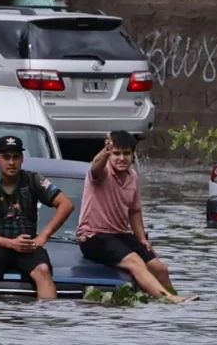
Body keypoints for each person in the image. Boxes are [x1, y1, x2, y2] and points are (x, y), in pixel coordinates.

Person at [76, 130, 194, 303]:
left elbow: (134, 211)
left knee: (159, 268)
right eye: (116, 153)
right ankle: (169, 299)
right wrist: (105, 151)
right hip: (93, 236)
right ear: (109, 154)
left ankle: (175, 298)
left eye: (126, 153)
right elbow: (95, 165)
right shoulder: (101, 173)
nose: (121, 158)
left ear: (133, 155)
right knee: (135, 262)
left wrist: (141, 238)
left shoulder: (133, 178)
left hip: (120, 234)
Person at [0, 135, 76, 299]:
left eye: (16, 157)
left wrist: (44, 235)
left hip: (27, 245)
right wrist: (11, 243)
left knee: (43, 271)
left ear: (22, 159)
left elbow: (66, 204)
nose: (11, 162)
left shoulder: (33, 180)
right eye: (6, 157)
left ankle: (46, 320)